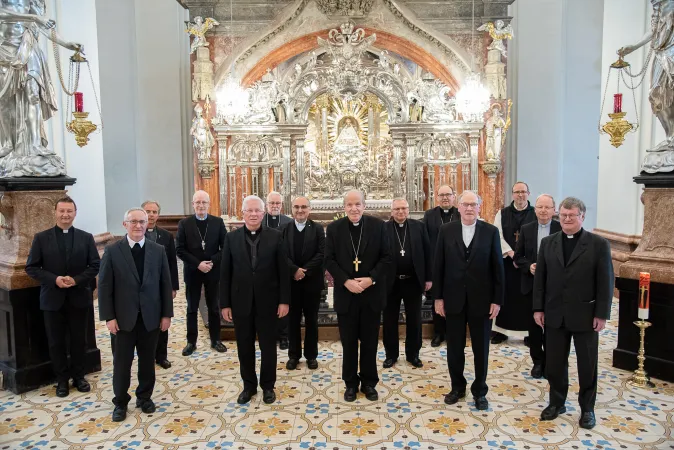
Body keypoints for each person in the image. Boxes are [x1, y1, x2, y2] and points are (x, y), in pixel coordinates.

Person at [534, 197, 613, 430]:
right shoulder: (548, 243)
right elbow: (541, 280)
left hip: (586, 316)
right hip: (554, 315)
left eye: (572, 215)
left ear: (582, 217)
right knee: (555, 364)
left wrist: (601, 314)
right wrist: (538, 308)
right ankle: (556, 403)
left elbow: (605, 282)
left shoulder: (599, 244)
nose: (567, 219)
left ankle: (587, 408)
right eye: (564, 215)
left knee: (587, 365)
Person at [98, 208, 173, 422]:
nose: (138, 226)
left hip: (150, 317)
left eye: (142, 221)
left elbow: (165, 284)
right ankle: (120, 402)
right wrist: (109, 317)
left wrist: (166, 314)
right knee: (122, 363)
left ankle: (144, 397)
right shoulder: (113, 251)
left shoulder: (157, 250)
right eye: (133, 222)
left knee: (147, 362)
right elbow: (104, 287)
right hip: (122, 319)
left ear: (147, 223)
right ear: (125, 225)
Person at [433, 190, 504, 411]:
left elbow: (497, 268)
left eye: (474, 204)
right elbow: (439, 266)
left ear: (479, 207)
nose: (470, 208)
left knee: (481, 349)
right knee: (455, 347)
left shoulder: (491, 232)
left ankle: (480, 391)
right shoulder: (446, 231)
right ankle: (457, 387)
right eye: (465, 204)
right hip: (453, 299)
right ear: (459, 207)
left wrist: (497, 300)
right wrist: (438, 298)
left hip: (481, 300)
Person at [25, 196, 100, 398]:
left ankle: (79, 377)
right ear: (55, 212)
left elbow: (94, 266)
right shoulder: (41, 238)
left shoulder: (86, 237)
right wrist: (54, 279)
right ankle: (61, 381)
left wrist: (76, 280)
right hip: (52, 298)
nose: (65, 215)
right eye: (62, 211)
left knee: (79, 341)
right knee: (56, 342)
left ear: (75, 213)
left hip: (78, 297)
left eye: (69, 211)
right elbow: (31, 267)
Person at [220, 195, 290, 404]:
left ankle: (268, 386)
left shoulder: (276, 236)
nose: (253, 214)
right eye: (248, 211)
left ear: (263, 213)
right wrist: (224, 303)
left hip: (268, 302)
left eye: (257, 211)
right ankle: (248, 386)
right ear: (242, 213)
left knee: (268, 346)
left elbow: (283, 271)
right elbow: (225, 273)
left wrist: (284, 301)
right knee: (244, 346)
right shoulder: (231, 238)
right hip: (241, 303)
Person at [325, 190, 391, 402]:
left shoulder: (378, 226)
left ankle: (369, 383)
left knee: (370, 342)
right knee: (349, 343)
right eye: (349, 205)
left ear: (364, 205)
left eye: (357, 204)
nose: (354, 208)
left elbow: (387, 258)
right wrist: (346, 281)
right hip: (347, 295)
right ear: (344, 207)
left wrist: (371, 279)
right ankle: (350, 384)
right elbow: (329, 259)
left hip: (371, 294)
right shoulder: (335, 229)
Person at [514, 194, 561, 378]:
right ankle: (538, 362)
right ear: (535, 209)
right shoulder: (527, 229)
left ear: (554, 210)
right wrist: (529, 266)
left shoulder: (560, 228)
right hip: (531, 286)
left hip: (554, 288)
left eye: (547, 207)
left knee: (552, 327)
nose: (543, 210)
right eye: (540, 207)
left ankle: (551, 362)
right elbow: (518, 257)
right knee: (534, 328)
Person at [176, 190, 227, 356]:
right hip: (193, 271)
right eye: (197, 202)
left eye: (204, 202)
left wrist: (211, 262)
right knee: (192, 308)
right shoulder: (185, 224)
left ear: (209, 204)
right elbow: (180, 250)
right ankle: (191, 342)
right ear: (193, 204)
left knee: (214, 307)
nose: (201, 205)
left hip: (213, 271)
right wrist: (198, 264)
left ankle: (216, 340)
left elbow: (225, 247)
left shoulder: (218, 222)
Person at [383, 198, 431, 369]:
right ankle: (391, 355)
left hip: (413, 281)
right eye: (397, 209)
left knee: (415, 319)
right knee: (389, 319)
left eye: (403, 208)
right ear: (391, 211)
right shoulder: (384, 228)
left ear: (408, 210)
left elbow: (427, 253)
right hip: (391, 282)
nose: (400, 212)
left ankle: (413, 354)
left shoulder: (419, 227)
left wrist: (429, 278)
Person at [282, 196, 325, 371]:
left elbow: (322, 253)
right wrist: (294, 270)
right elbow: (281, 254)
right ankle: (293, 355)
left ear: (309, 209)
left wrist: (304, 270)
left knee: (311, 321)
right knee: (292, 321)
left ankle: (311, 356)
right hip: (291, 283)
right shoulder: (283, 229)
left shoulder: (317, 229)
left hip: (311, 284)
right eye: (296, 207)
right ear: (291, 209)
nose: (300, 210)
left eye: (304, 207)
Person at [491, 181, 537, 345]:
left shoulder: (535, 213)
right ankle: (501, 332)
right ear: (512, 195)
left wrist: (522, 259)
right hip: (508, 262)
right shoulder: (502, 213)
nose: (520, 195)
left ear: (528, 194)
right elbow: (498, 235)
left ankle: (529, 333)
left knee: (527, 298)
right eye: (517, 192)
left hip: (528, 263)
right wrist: (512, 254)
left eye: (523, 191)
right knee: (506, 296)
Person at [422, 184, 460, 347]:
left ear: (454, 196)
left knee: (454, 301)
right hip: (435, 265)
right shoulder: (429, 215)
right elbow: (424, 239)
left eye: (448, 194)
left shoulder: (460, 214)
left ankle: (452, 333)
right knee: (437, 300)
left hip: (456, 266)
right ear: (437, 197)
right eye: (442, 195)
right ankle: (438, 333)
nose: (445, 197)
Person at [142, 200, 179, 369]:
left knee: (163, 320)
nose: (151, 215)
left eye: (154, 212)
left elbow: (172, 262)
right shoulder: (135, 233)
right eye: (147, 211)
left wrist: (173, 287)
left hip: (161, 285)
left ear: (158, 214)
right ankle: (147, 355)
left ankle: (161, 356)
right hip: (142, 286)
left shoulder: (165, 236)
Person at [263, 191, 293, 350]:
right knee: (266, 304)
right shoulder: (260, 220)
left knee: (283, 303)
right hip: (264, 270)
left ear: (282, 204)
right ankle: (269, 334)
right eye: (271, 203)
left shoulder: (289, 222)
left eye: (277, 203)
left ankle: (284, 337)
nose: (274, 206)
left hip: (283, 269)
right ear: (266, 204)